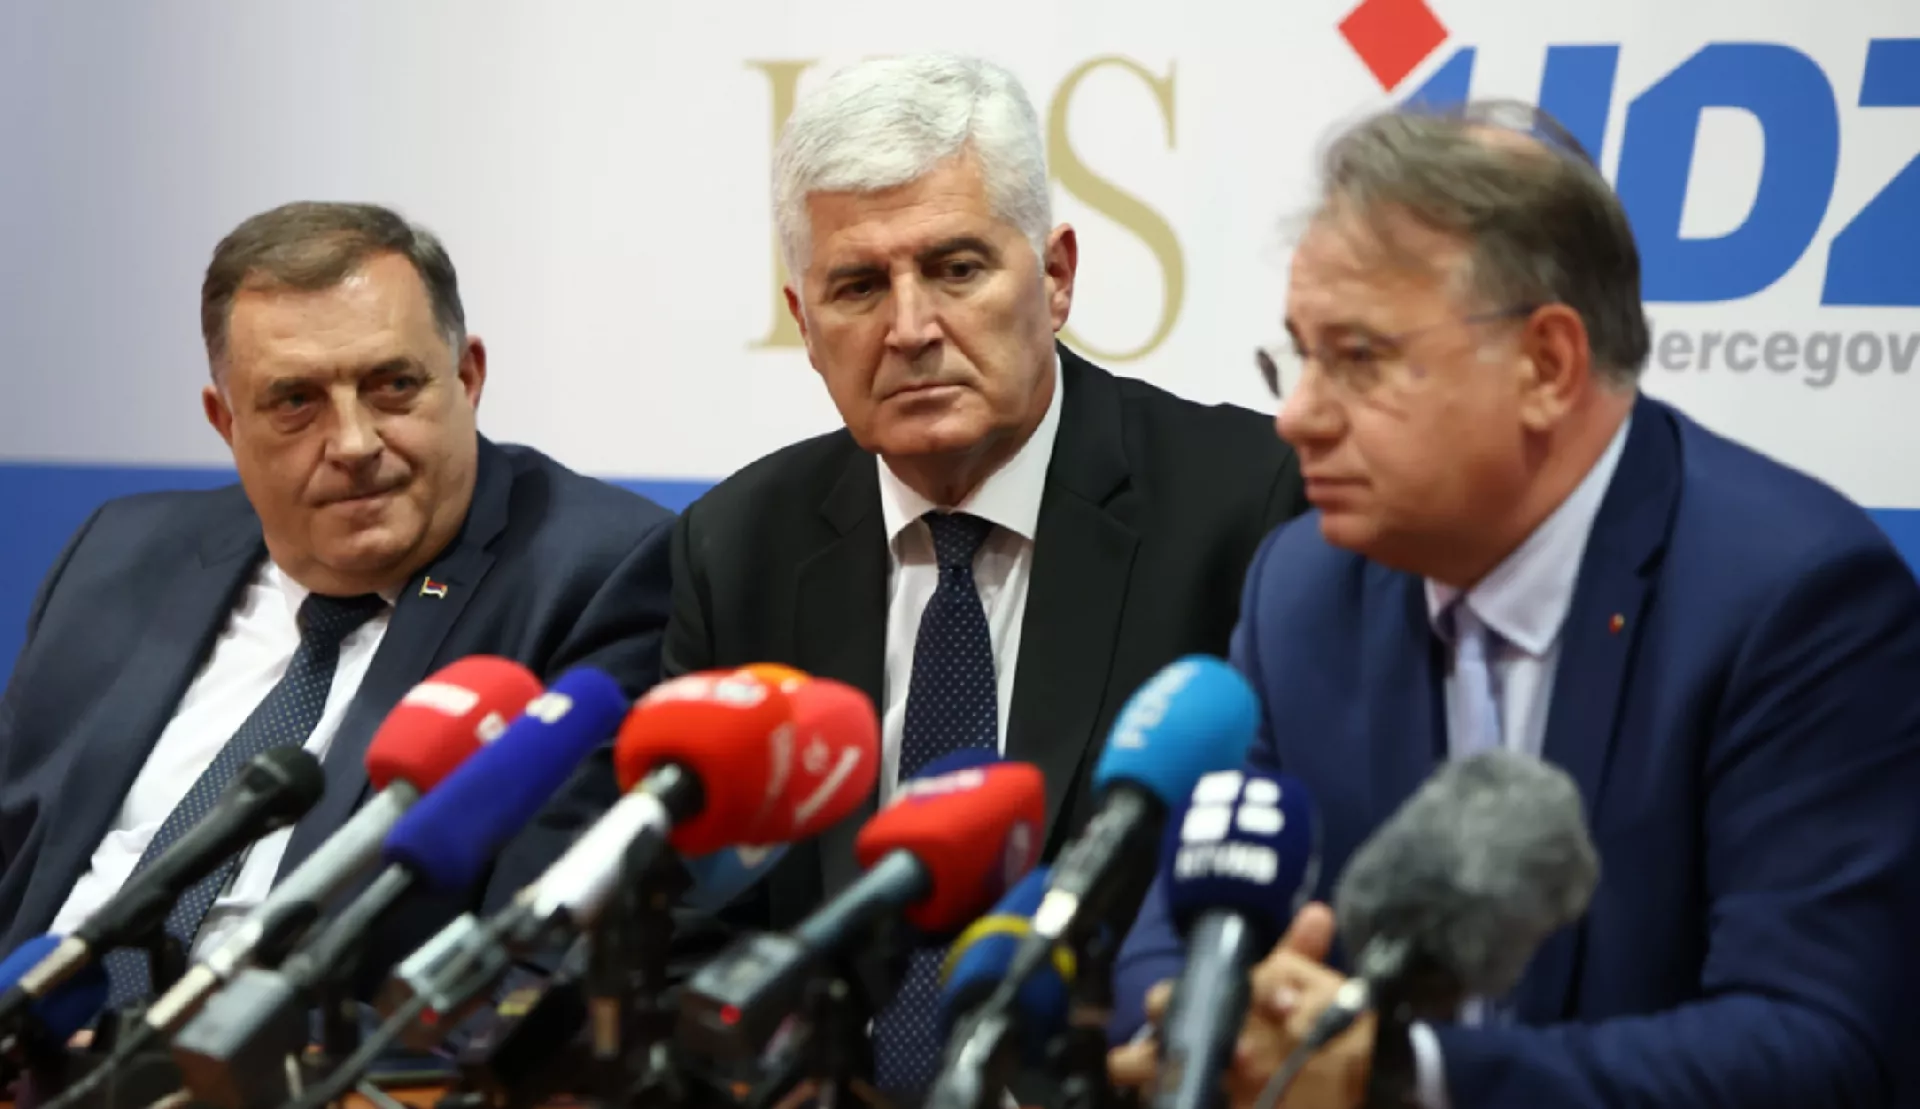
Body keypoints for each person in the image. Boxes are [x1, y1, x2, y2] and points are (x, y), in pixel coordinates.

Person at [1108, 100, 1920, 1109]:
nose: (1298, 415)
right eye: (1298, 357)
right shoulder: (1303, 589)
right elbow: (1176, 925)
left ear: (1546, 365)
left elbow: (1818, 1042)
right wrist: (1205, 1023)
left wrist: (1404, 1074)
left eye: (1359, 359)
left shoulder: (1793, 601)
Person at [663, 53, 1306, 1098]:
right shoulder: (734, 547)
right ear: (804, 322)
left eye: (957, 269)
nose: (911, 328)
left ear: (1055, 277)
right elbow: (695, 926)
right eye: (858, 286)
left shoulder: (1247, 508)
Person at [0, 201, 674, 1003]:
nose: (353, 442)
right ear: (225, 420)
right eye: (296, 400)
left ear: (467, 378)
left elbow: (524, 968)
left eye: (393, 385)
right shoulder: (120, 554)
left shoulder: (597, 574)